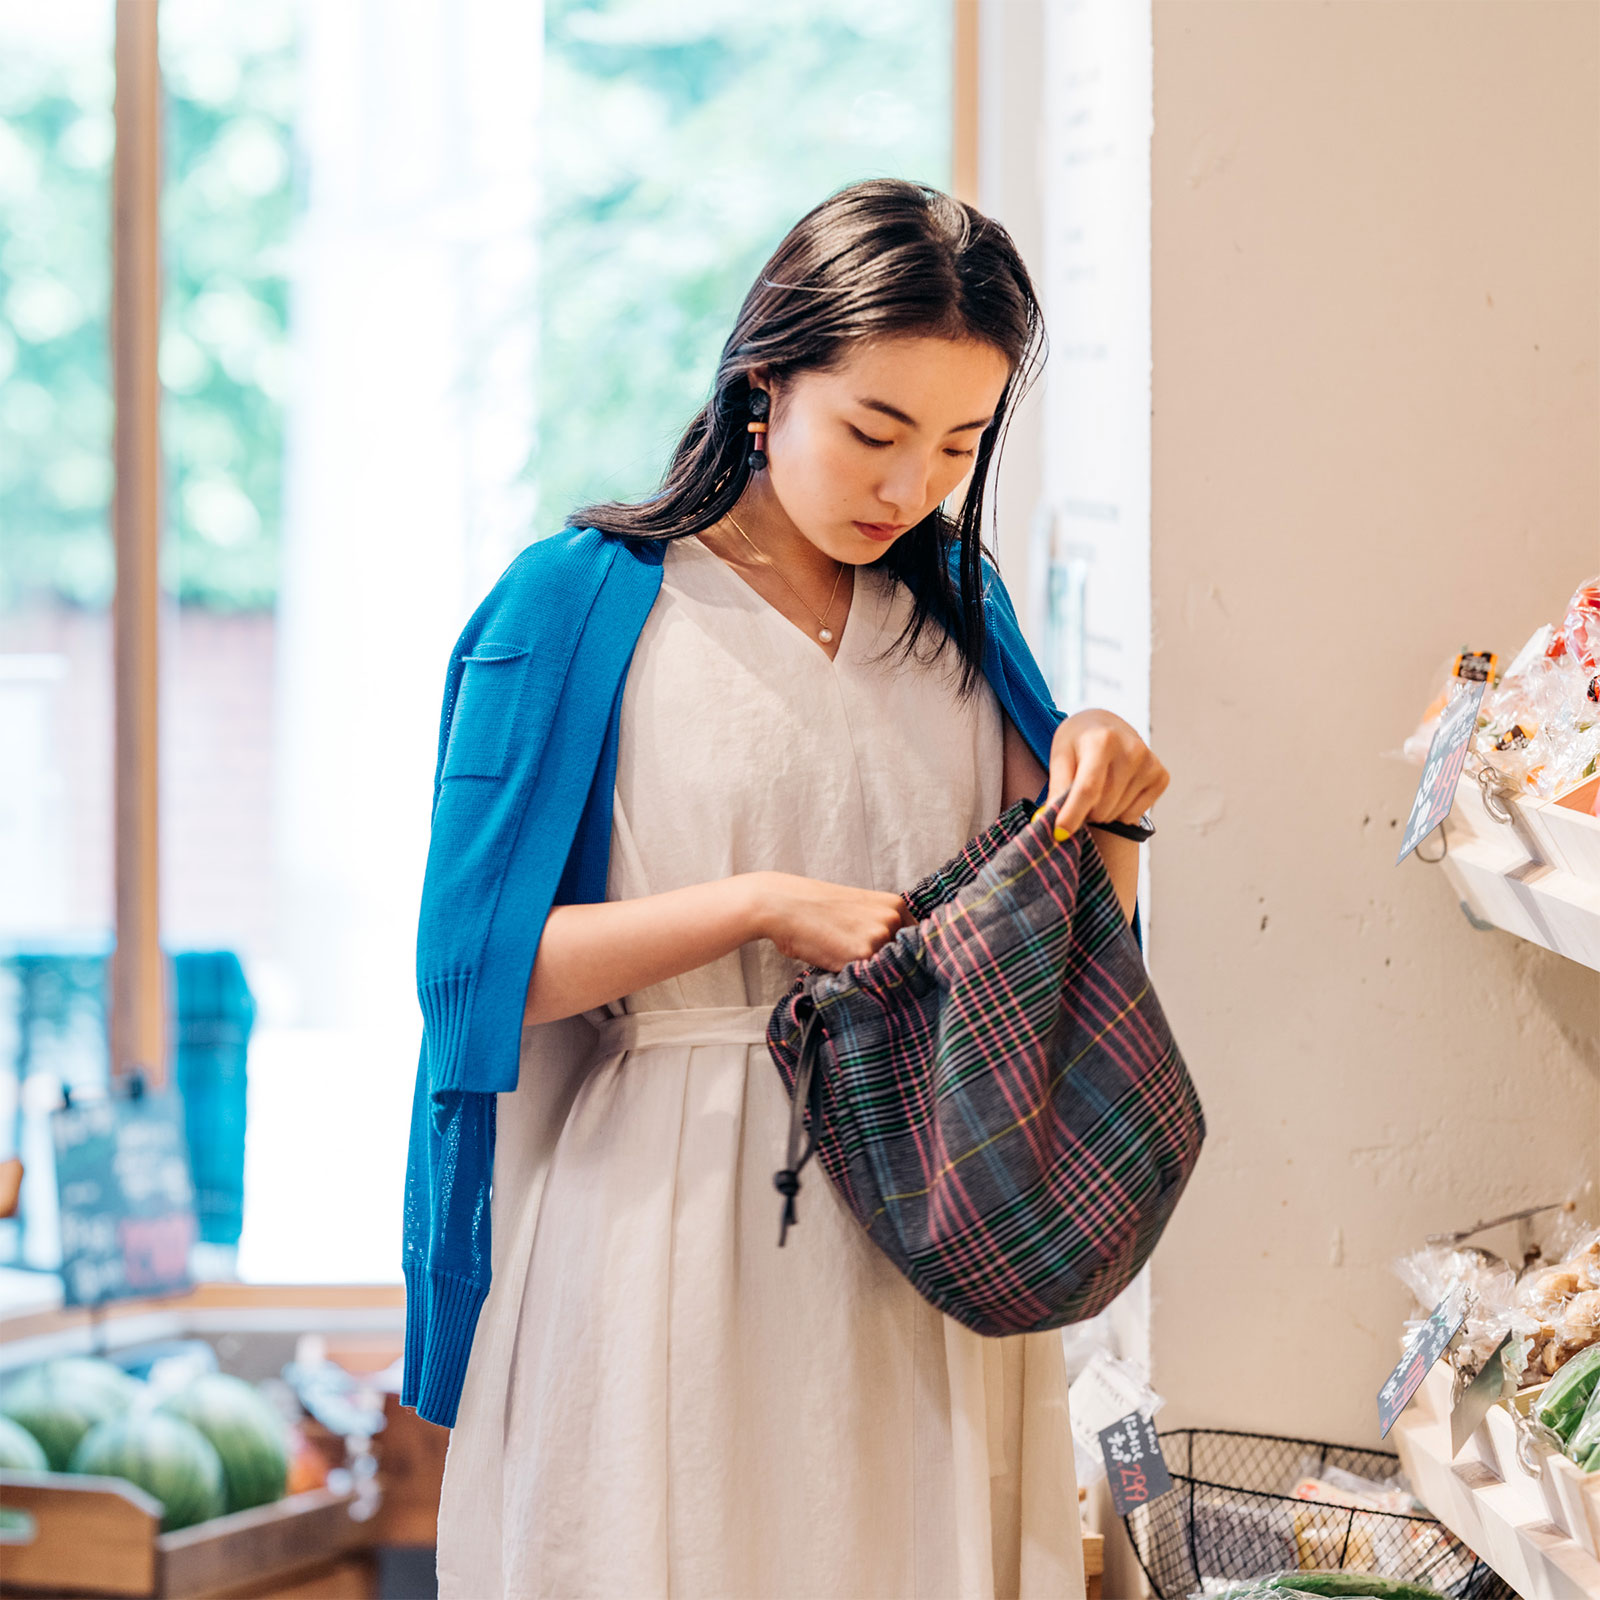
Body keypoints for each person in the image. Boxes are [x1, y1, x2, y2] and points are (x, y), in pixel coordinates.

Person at [424, 177, 1169, 1599]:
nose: (909, 488)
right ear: (765, 383)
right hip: (668, 1222)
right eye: (874, 433)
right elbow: (473, 975)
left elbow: (1068, 966)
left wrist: (1109, 804)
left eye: (957, 446)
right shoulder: (579, 602)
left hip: (923, 1232)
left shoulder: (960, 617)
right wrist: (760, 905)